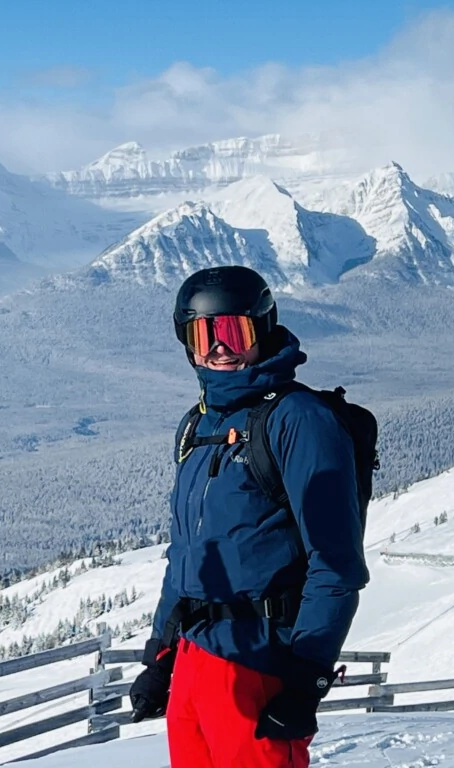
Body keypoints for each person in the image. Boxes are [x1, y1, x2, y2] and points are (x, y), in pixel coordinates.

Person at [129, 266, 369, 768]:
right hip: (196, 660)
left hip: (259, 663)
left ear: (261, 329)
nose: (219, 347)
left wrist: (309, 677)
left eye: (233, 331)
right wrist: (161, 654)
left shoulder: (298, 420)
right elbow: (186, 554)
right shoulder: (196, 425)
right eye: (204, 333)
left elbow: (336, 562)